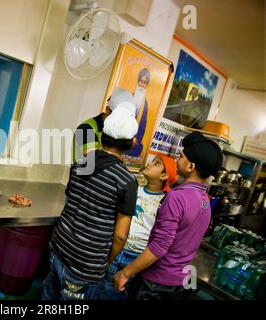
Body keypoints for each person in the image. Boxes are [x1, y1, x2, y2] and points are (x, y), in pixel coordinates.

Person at [41, 101, 139, 300]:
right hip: (86, 266)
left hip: (59, 247)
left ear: (102, 135)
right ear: (131, 143)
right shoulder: (127, 180)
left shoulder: (81, 163)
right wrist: (105, 263)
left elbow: (73, 200)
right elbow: (120, 237)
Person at [114, 131, 223, 300]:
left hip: (154, 282)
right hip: (177, 282)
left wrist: (125, 273)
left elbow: (160, 246)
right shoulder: (204, 201)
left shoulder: (177, 197)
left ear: (191, 167)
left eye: (181, 157)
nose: (177, 160)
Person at [99, 154, 178, 300]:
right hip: (117, 249)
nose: (149, 163)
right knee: (105, 290)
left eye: (156, 164)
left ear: (164, 175)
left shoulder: (166, 201)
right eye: (152, 161)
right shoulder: (134, 190)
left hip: (137, 257)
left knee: (122, 293)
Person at [73, 87, 137, 163]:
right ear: (107, 110)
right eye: (116, 115)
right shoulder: (87, 128)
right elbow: (94, 158)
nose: (120, 120)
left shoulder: (117, 131)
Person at [126, 68, 150, 158]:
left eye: (145, 83)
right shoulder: (129, 97)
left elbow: (143, 125)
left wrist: (137, 139)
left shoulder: (145, 103)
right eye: (141, 81)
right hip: (124, 135)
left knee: (137, 149)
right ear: (138, 81)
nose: (142, 85)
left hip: (136, 138)